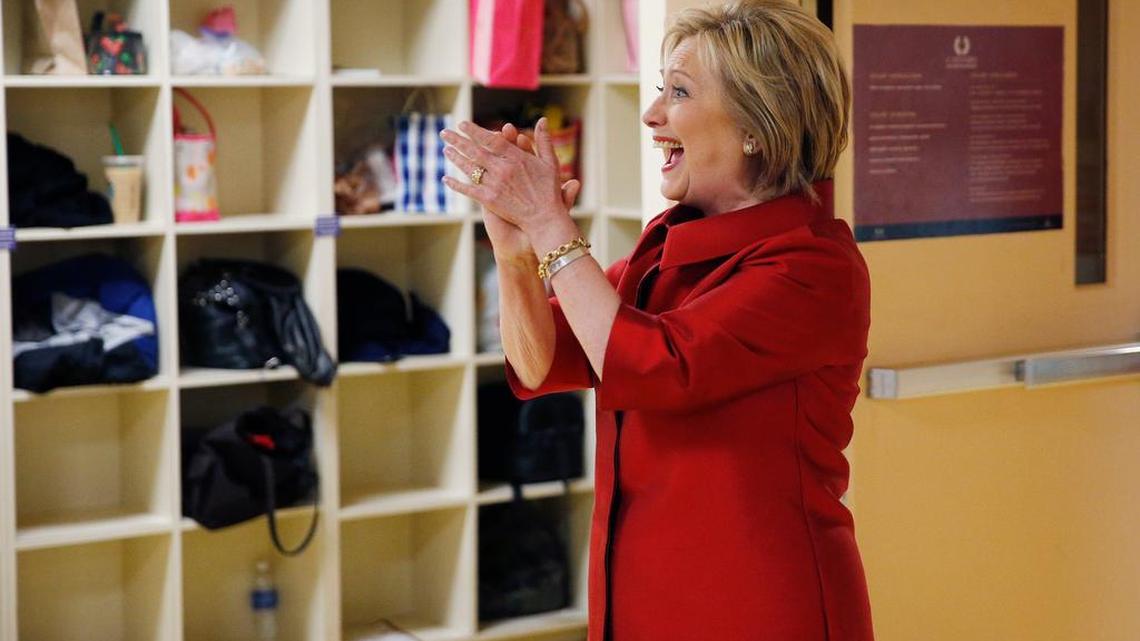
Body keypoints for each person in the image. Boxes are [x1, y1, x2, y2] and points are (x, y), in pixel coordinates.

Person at [440, 1, 873, 639]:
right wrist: (515, 251)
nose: (652, 114)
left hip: (760, 605)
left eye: (680, 92)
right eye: (658, 90)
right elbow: (542, 360)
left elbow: (657, 366)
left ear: (758, 123)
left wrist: (553, 227)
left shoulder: (813, 266)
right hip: (643, 595)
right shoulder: (669, 242)